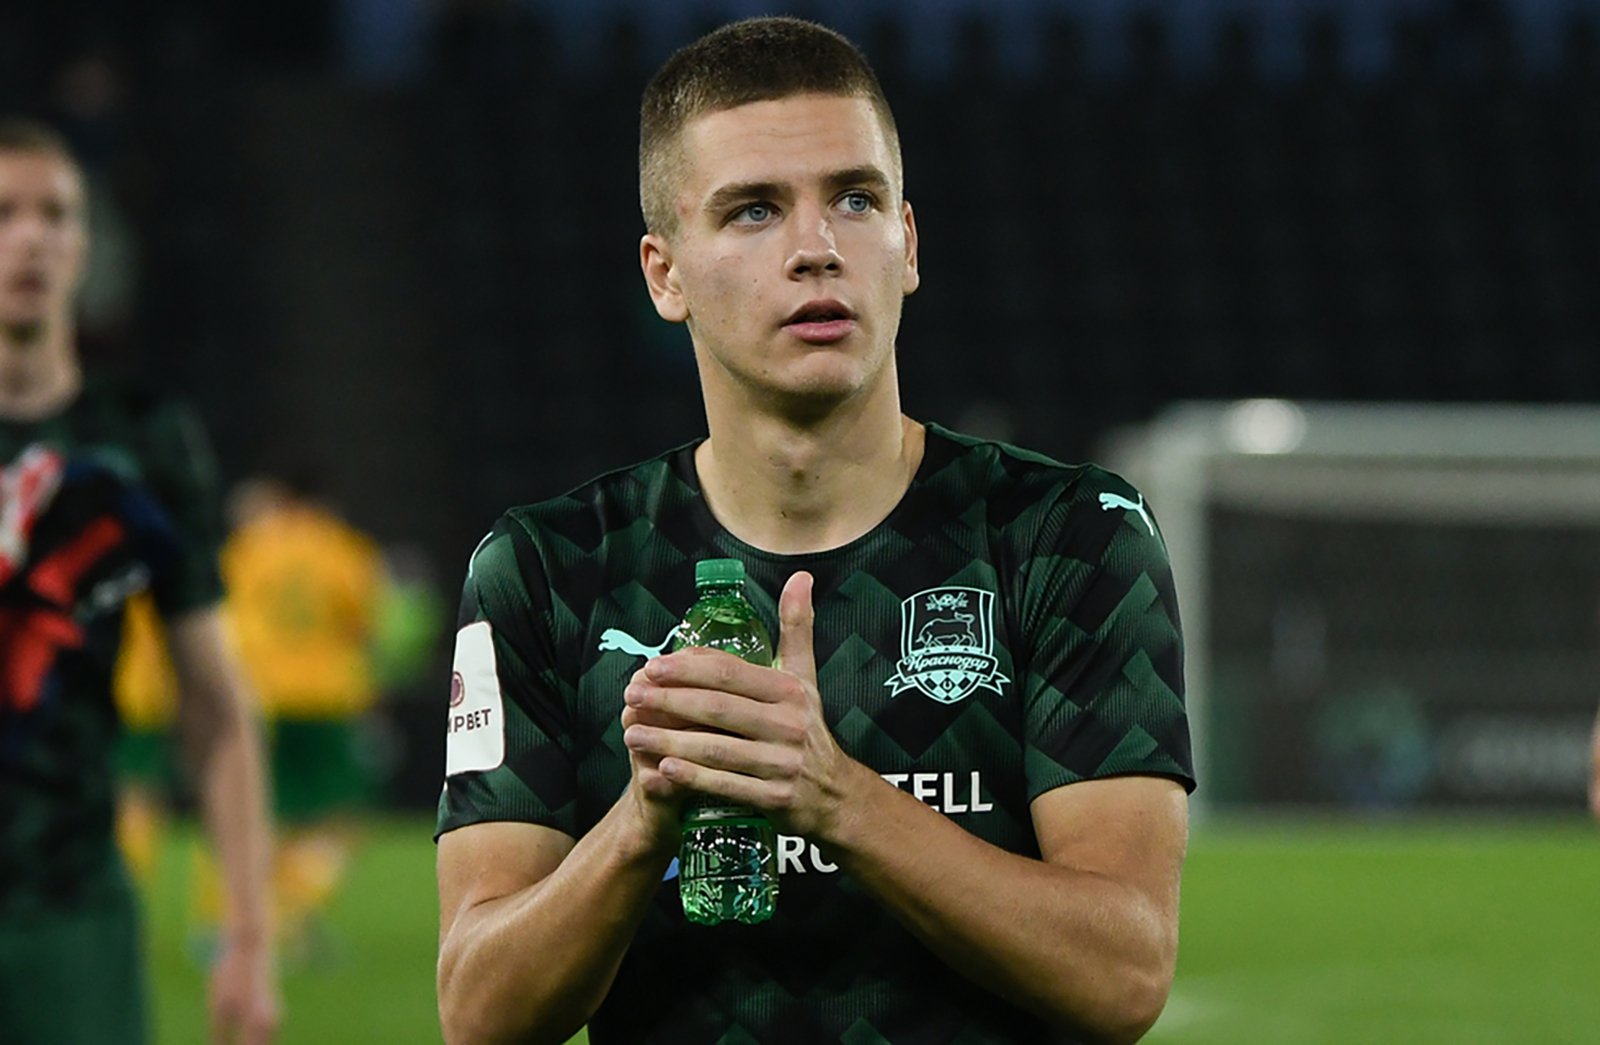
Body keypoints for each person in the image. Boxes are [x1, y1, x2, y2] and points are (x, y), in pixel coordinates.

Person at [435, 17, 1193, 1045]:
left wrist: (834, 797)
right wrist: (643, 822)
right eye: (753, 210)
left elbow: (1123, 974)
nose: (816, 249)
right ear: (664, 274)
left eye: (855, 199)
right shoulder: (549, 569)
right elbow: (479, 1013)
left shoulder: (1069, 538)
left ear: (908, 243)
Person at [0, 118, 278, 1045]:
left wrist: (249, 935)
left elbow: (215, 704)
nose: (30, 238)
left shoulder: (142, 443)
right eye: (4, 213)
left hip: (70, 905)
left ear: (85, 246)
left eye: (55, 215)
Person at [216, 471, 386, 959]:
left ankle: (252, 920)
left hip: (262, 694)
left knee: (269, 814)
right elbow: (363, 624)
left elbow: (225, 617)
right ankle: (290, 912)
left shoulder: (249, 547)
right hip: (327, 697)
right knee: (342, 818)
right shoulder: (343, 548)